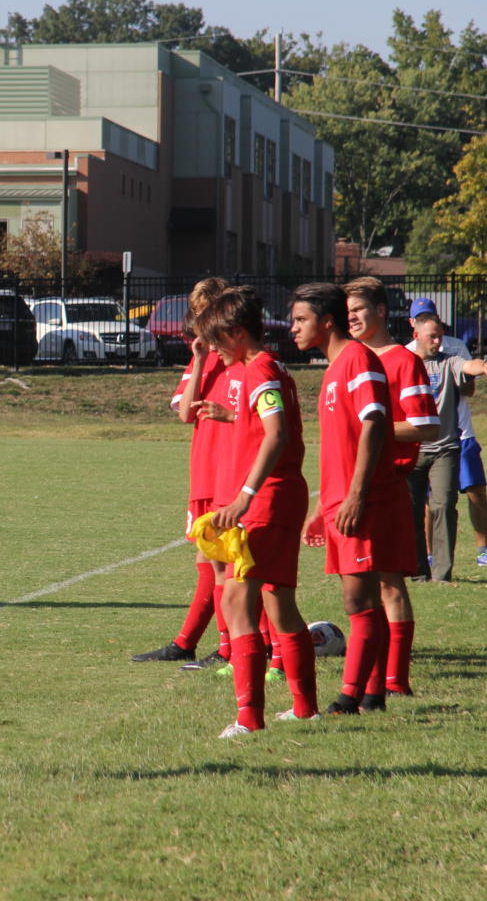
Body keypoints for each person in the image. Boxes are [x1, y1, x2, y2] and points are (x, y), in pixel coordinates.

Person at [197, 285, 315, 737]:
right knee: (278, 601)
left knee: (235, 599)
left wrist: (245, 494)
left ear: (237, 332)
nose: (212, 350)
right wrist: (232, 419)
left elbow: (277, 434)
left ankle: (249, 719)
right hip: (284, 494)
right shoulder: (271, 368)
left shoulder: (259, 369)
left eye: (215, 340)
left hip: (265, 500)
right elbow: (268, 422)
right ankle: (305, 707)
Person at [291, 282, 394, 715]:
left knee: (359, 601)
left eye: (300, 319)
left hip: (362, 502)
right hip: (338, 502)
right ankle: (372, 695)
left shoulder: (357, 359)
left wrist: (355, 495)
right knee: (362, 600)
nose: (292, 328)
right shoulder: (333, 368)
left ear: (326, 321)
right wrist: (321, 507)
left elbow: (374, 424)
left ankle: (349, 698)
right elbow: (341, 445)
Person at [343, 276, 438, 702]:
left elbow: (427, 424)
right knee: (358, 589)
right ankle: (371, 680)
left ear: (381, 311)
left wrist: (373, 430)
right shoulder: (346, 359)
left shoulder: (403, 360)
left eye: (359, 310)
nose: (352, 318)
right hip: (351, 486)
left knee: (390, 583)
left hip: (388, 485)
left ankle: (396, 679)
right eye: (346, 312)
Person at [132, 278, 232, 668]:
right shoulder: (200, 358)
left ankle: (230, 647)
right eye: (198, 313)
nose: (200, 321)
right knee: (207, 563)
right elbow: (185, 413)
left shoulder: (243, 361)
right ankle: (188, 642)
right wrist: (202, 360)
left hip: (230, 475)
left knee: (226, 565)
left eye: (208, 312)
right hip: (204, 474)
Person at [407, 298, 487, 569]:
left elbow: (468, 381)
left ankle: (483, 550)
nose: (436, 338)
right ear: (413, 326)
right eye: (421, 318)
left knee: (476, 489)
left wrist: (473, 370)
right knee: (431, 501)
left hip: (460, 433)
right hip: (424, 439)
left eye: (431, 317)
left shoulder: (453, 348)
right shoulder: (405, 355)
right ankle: (429, 555)